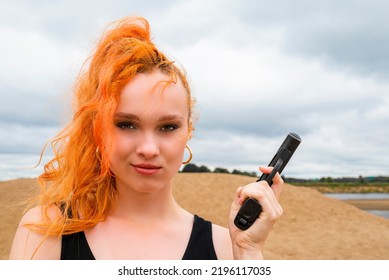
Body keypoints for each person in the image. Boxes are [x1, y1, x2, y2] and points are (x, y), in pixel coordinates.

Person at [9, 16, 283, 260]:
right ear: (98, 128)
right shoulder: (46, 233)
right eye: (126, 124)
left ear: (189, 129)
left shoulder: (227, 247)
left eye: (167, 127)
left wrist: (248, 252)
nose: (149, 149)